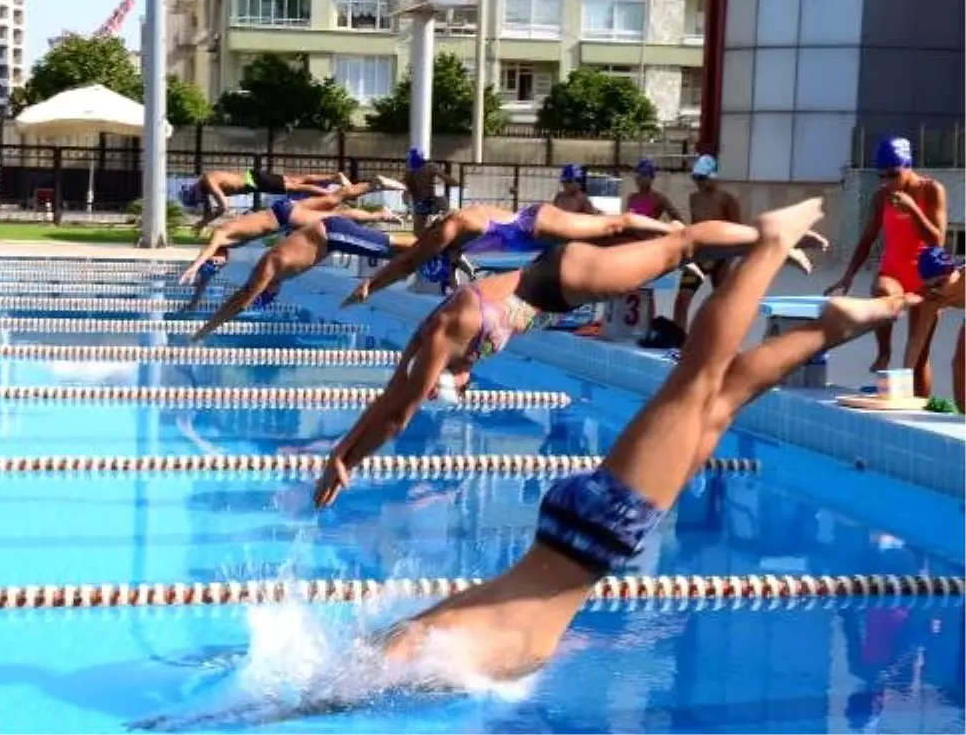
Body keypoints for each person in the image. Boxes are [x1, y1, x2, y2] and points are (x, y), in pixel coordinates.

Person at [348, 199, 919, 684]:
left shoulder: (442, 646)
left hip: (598, 534)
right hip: (576, 536)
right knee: (718, 401)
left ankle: (769, 246)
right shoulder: (446, 637)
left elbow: (389, 656)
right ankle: (832, 327)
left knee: (697, 381)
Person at [313, 209, 829, 508]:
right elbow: (389, 398)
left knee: (681, 246)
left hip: (560, 282)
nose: (447, 388)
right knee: (677, 246)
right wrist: (342, 449)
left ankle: (775, 236)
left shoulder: (445, 340)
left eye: (443, 387)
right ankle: (773, 239)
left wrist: (350, 462)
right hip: (556, 279)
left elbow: (399, 414)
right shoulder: (427, 345)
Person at [342, 203, 680, 306]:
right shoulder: (452, 241)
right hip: (533, 238)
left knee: (612, 226)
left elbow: (408, 261)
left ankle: (675, 232)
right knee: (612, 246)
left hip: (534, 226)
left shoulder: (451, 229)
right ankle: (667, 242)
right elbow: (410, 254)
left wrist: (370, 286)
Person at [827, 136, 947, 396]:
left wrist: (913, 209)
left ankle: (921, 414)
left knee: (918, 357)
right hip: (893, 272)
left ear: (908, 166)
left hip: (927, 279)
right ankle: (884, 352)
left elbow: (937, 240)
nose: (887, 181)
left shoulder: (931, 190)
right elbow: (868, 238)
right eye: (881, 176)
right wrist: (847, 276)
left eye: (892, 174)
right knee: (881, 291)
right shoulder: (882, 196)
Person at [190, 217, 417, 342]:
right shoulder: (275, 274)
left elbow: (241, 301)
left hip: (332, 234)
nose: (275, 293)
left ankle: (440, 241)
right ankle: (434, 247)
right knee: (389, 250)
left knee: (387, 247)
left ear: (265, 290)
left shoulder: (267, 270)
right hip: (332, 235)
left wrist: (207, 329)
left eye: (270, 295)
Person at [178, 179, 400, 286]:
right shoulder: (227, 241)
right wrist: (195, 299)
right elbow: (210, 263)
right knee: (334, 199)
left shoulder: (220, 235)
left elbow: (207, 251)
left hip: (284, 217)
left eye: (215, 262)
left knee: (336, 218)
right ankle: (375, 184)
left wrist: (194, 266)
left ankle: (380, 214)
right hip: (282, 211)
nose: (218, 262)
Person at [671, 154, 743, 334]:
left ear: (713, 177)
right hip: (699, 255)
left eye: (702, 178)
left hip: (720, 255)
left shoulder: (727, 199)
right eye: (696, 178)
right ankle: (678, 339)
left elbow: (740, 232)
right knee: (683, 298)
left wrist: (728, 260)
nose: (698, 182)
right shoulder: (694, 198)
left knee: (722, 303)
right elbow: (695, 228)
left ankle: (723, 341)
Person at [183, 168, 349, 232]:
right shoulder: (204, 190)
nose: (199, 201)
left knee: (297, 187)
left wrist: (204, 222)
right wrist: (203, 223)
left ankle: (336, 195)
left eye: (195, 200)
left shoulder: (208, 181)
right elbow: (209, 211)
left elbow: (223, 206)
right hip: (254, 179)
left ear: (193, 191)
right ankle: (334, 177)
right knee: (298, 180)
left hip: (255, 181)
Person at [904, 246, 965, 411]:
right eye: (931, 287)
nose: (938, 290)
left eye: (940, 283)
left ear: (953, 271)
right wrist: (903, 377)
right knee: (959, 364)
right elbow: (917, 340)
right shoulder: (934, 299)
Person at [403, 148, 458, 234]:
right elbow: (446, 178)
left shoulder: (409, 171)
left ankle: (435, 229)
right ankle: (439, 226)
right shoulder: (430, 167)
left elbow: (406, 187)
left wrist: (407, 200)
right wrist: (455, 183)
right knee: (442, 205)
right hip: (428, 201)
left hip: (420, 202)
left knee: (419, 230)